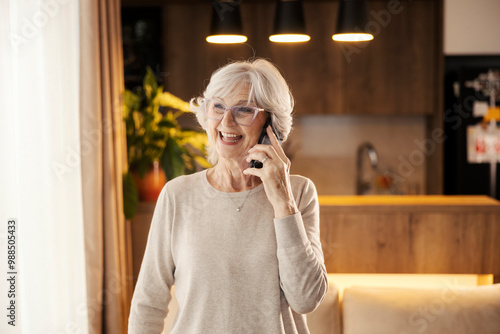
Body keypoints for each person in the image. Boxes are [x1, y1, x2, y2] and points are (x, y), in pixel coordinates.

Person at [128, 58, 328, 334]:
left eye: (244, 110)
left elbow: (306, 299)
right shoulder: (178, 196)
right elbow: (148, 304)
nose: (226, 121)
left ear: (270, 124)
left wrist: (283, 201)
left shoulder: (299, 193)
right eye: (218, 106)